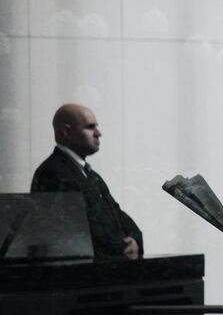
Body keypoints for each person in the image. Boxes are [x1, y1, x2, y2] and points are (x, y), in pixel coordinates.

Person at [30, 104, 143, 259]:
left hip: (102, 265)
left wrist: (135, 239)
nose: (98, 133)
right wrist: (123, 246)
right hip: (86, 270)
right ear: (66, 132)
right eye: (90, 127)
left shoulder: (90, 174)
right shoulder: (52, 173)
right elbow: (77, 232)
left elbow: (116, 213)